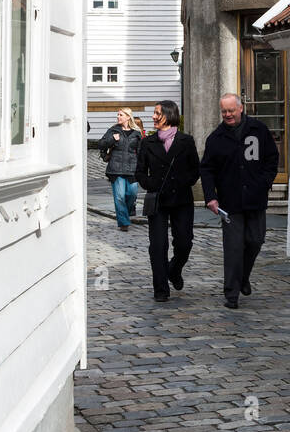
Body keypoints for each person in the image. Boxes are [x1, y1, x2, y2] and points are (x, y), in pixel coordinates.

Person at [200, 93, 279, 309]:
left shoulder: (258, 130)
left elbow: (272, 158)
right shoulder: (215, 138)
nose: (227, 115)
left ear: (240, 108)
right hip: (230, 202)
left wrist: (264, 181)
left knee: (256, 240)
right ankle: (231, 294)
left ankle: (243, 277)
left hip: (255, 197)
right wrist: (211, 197)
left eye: (231, 110)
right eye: (224, 111)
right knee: (233, 248)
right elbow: (206, 169)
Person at [136, 100, 200, 303]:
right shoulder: (147, 143)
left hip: (181, 200)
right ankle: (161, 288)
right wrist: (151, 184)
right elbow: (139, 172)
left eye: (157, 113)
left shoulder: (186, 141)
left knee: (184, 243)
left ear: (169, 115)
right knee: (157, 245)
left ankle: (174, 270)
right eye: (154, 113)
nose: (153, 117)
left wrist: (183, 182)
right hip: (158, 201)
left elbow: (195, 170)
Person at [99, 108, 142, 230]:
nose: (118, 117)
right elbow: (101, 144)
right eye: (118, 115)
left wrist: (142, 168)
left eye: (121, 115)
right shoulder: (113, 130)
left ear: (128, 117)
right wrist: (112, 139)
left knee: (132, 194)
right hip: (116, 169)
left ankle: (125, 214)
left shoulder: (136, 133)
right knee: (120, 196)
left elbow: (141, 152)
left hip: (132, 169)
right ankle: (123, 223)